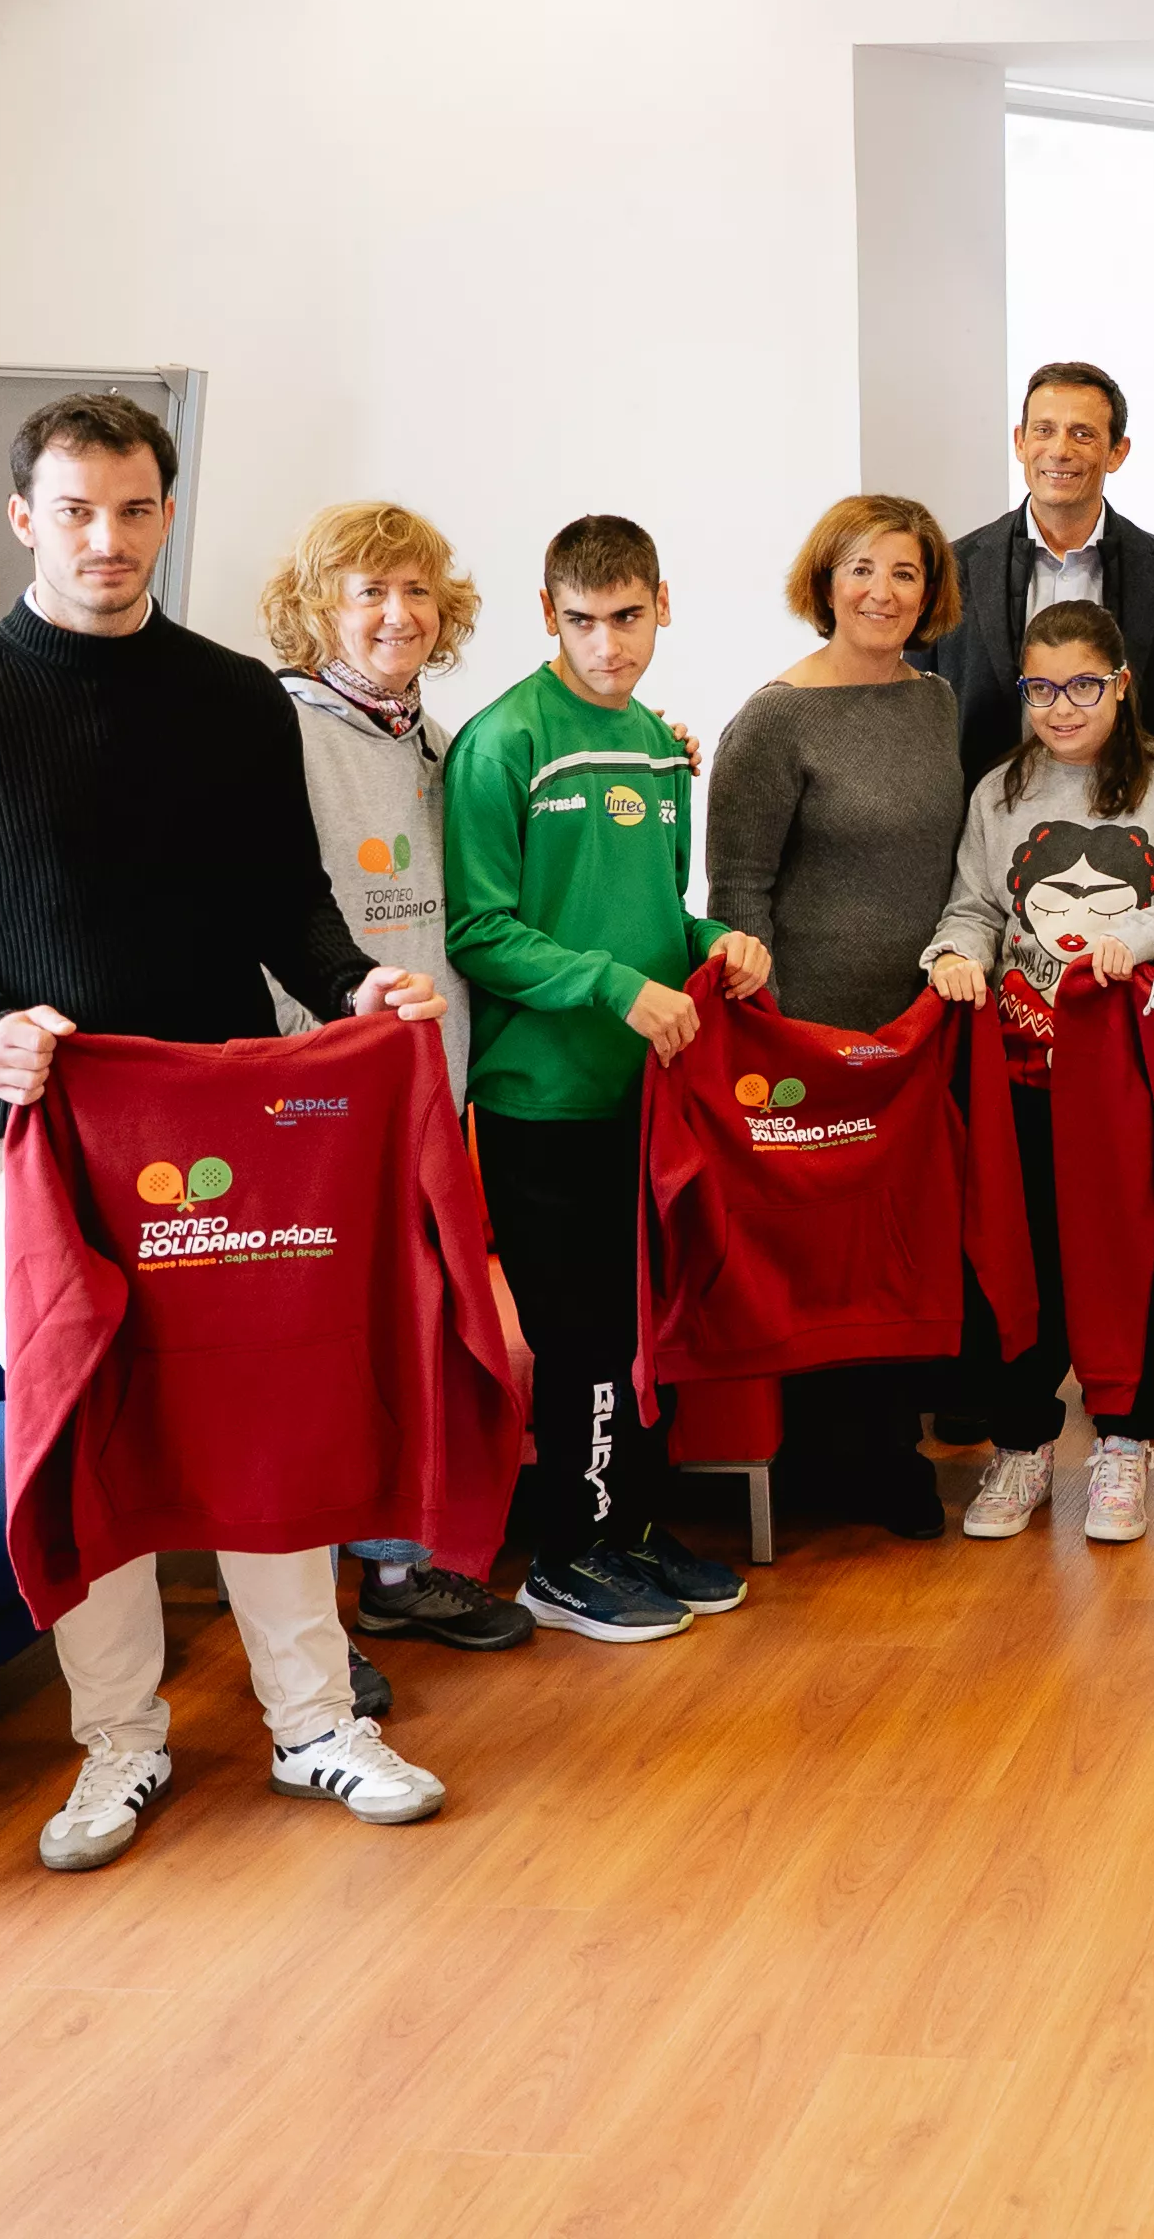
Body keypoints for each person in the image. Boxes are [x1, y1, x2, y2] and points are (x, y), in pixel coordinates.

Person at [0, 392, 456, 1872]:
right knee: (83, 1435)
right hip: (26, 1140)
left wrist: (356, 980)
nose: (110, 539)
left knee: (260, 1421)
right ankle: (118, 1743)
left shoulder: (234, 700)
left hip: (225, 1133)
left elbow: (284, 905)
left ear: (167, 515)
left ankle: (313, 1723)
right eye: (79, 510)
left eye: (137, 510)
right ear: (25, 518)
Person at [444, 514, 771, 1646]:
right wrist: (610, 988)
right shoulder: (501, 745)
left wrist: (716, 940)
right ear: (548, 617)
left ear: (662, 605)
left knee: (643, 1326)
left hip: (650, 1098)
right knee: (577, 1335)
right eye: (581, 621)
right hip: (543, 1099)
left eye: (627, 617)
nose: (606, 645)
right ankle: (564, 1554)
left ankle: (629, 1527)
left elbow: (646, 915)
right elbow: (480, 930)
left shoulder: (659, 746)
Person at [258, 499, 537, 1660]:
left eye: (416, 590)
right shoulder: (278, 730)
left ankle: (396, 1572)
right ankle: (304, 1637)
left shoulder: (437, 740)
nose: (396, 613)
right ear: (319, 607)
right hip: (311, 1082)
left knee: (406, 1323)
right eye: (368, 591)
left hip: (429, 1078)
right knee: (317, 1340)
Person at [924, 602, 1154, 1543]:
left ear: (1122, 685)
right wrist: (952, 951)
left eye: (1084, 687)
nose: (1063, 709)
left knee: (1126, 1257)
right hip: (1021, 1067)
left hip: (1128, 1073)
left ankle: (1125, 1442)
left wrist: (1136, 933)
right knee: (1023, 1260)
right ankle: (1022, 1449)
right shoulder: (999, 792)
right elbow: (975, 905)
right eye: (1043, 689)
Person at [702, 496, 970, 1543]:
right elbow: (738, 892)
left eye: (904, 573)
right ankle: (821, 1461)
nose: (882, 593)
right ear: (825, 581)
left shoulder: (937, 703)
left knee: (899, 1242)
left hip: (913, 1031)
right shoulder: (775, 718)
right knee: (819, 1249)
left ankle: (890, 1451)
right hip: (805, 1035)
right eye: (861, 569)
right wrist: (766, 1021)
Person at [926, 360, 1154, 779]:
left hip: (1132, 827)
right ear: (1020, 442)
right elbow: (926, 723)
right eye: (1044, 430)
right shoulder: (951, 571)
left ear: (1117, 452)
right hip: (984, 827)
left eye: (1082, 434)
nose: (1060, 450)